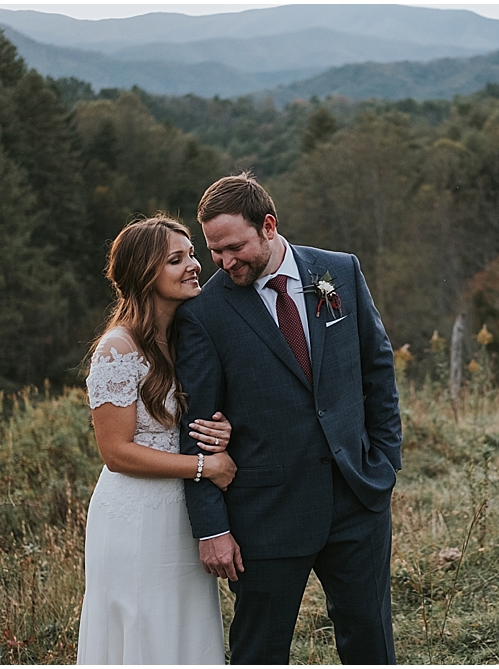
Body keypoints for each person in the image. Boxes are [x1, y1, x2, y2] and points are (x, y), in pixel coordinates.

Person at [175, 172, 403, 664]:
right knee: (260, 650)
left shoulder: (339, 271)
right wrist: (211, 527)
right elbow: (196, 428)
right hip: (265, 514)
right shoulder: (204, 314)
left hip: (357, 499)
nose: (224, 261)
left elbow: (377, 368)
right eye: (214, 251)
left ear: (269, 226)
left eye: (234, 247)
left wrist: (384, 462)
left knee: (371, 642)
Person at [78, 216, 237, 664]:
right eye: (176, 259)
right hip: (135, 518)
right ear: (145, 272)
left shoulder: (182, 337)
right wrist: (206, 467)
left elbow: (182, 421)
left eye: (191, 255)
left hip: (181, 515)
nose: (194, 266)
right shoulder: (118, 347)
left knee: (183, 628)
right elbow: (115, 452)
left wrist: (220, 432)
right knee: (145, 629)